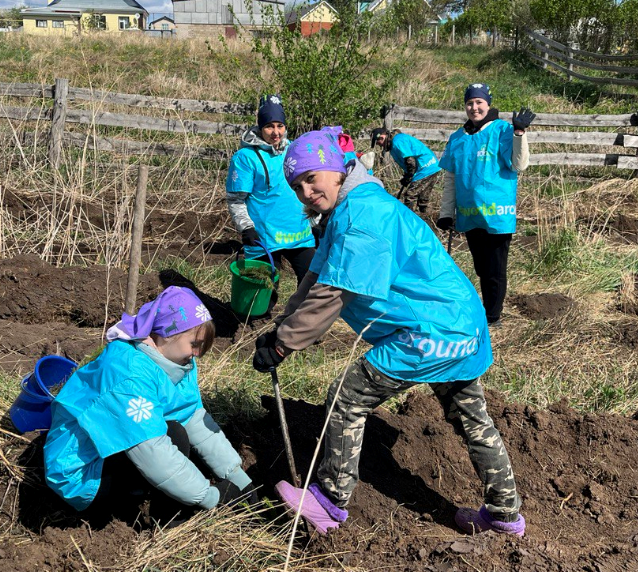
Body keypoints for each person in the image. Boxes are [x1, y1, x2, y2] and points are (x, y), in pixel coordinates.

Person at [252, 129, 526, 537]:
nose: (306, 191)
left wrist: (283, 343)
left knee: (348, 395)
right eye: (296, 185)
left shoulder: (364, 214)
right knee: (471, 416)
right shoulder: (347, 210)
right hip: (459, 323)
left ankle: (330, 501)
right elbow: (315, 277)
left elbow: (335, 292)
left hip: (429, 329)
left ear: (337, 168)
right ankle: (505, 516)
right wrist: (281, 328)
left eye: (312, 177)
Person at [44, 286, 257, 519]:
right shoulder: (129, 376)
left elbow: (193, 417)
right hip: (81, 474)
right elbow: (153, 452)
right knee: (174, 434)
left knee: (175, 428)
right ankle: (162, 519)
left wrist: (238, 476)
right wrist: (210, 496)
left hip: (110, 453)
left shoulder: (176, 363)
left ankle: (146, 496)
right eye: (195, 344)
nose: (197, 354)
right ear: (168, 334)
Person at [437, 83, 535, 326]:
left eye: (479, 102)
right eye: (470, 103)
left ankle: (493, 317)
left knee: (494, 269)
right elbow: (450, 178)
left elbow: (518, 164)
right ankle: (486, 310)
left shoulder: (503, 130)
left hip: (496, 216)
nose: (474, 107)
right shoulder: (458, 138)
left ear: (488, 104)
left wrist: (519, 134)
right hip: (470, 215)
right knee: (481, 267)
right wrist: (447, 213)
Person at [226, 94, 315, 286]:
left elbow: (310, 187)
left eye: (280, 125)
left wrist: (315, 219)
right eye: (269, 126)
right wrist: (246, 227)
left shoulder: (294, 150)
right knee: (262, 295)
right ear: (260, 127)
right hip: (264, 237)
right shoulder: (245, 157)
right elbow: (236, 199)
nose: (276, 132)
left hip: (299, 234)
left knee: (311, 286)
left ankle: (297, 316)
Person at [371, 127, 441, 215]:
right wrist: (407, 176)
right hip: (433, 165)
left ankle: (408, 220)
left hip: (426, 167)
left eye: (377, 142)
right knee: (422, 198)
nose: (379, 145)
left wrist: (409, 176)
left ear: (382, 137)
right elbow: (408, 164)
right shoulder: (394, 143)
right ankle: (425, 218)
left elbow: (411, 161)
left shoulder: (397, 141)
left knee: (410, 195)